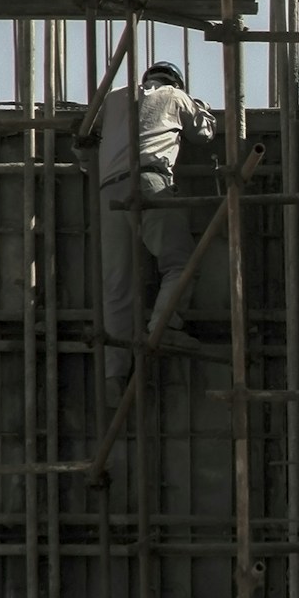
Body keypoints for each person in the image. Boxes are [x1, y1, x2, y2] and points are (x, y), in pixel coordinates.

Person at [91, 61, 216, 383]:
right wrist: (201, 107)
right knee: (179, 263)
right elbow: (203, 133)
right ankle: (165, 326)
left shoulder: (113, 97)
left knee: (117, 288)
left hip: (108, 191)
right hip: (148, 181)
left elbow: (85, 139)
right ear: (176, 82)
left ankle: (113, 379)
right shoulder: (175, 95)